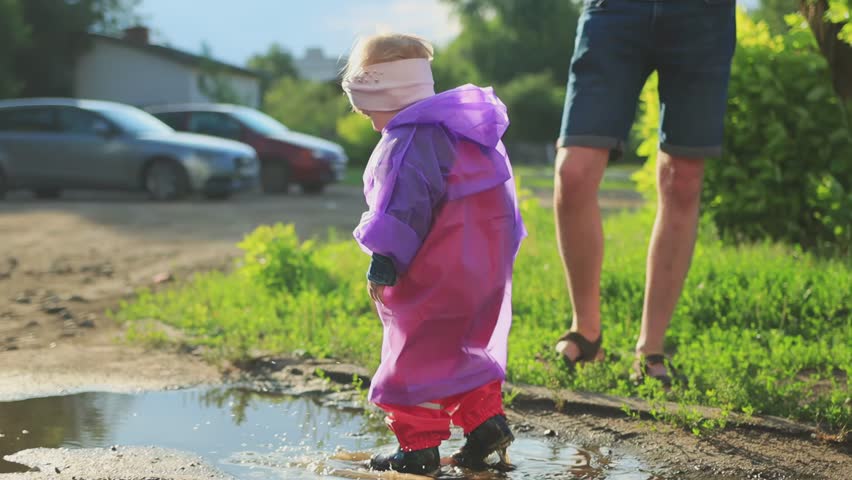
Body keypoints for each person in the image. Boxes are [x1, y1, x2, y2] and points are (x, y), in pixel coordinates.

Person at [341, 33, 526, 475]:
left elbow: (401, 209)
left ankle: (419, 449)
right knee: (461, 347)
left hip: (438, 271)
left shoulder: (407, 142)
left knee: (414, 356)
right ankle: (486, 426)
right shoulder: (462, 131)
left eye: (369, 110)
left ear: (389, 91)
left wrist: (383, 262)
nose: (371, 123)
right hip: (485, 271)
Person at [553, 0, 737, 386]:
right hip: (614, 11)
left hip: (702, 15)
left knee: (682, 178)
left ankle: (650, 348)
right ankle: (586, 333)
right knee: (573, 172)